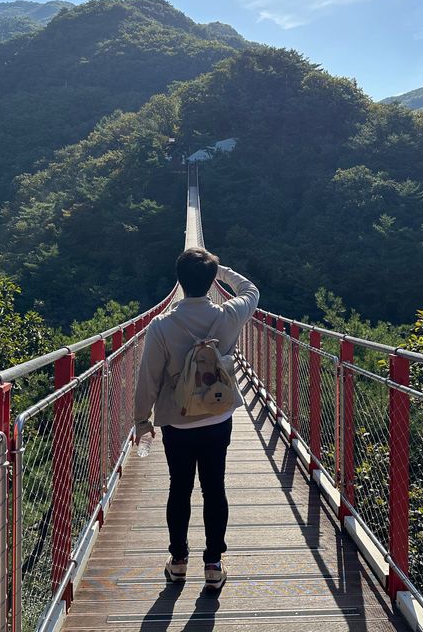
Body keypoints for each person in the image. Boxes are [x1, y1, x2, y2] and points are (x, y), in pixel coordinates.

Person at [133, 247, 259, 590]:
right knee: (214, 487)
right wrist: (222, 271)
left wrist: (142, 422)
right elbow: (252, 290)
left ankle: (178, 561)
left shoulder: (161, 326)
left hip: (177, 420)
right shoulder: (230, 315)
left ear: (179, 281)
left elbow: (149, 377)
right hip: (218, 417)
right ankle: (214, 565)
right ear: (211, 279)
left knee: (180, 488)